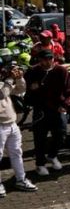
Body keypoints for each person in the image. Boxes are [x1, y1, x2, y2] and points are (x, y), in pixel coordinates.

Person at [24, 49, 70, 176]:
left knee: (61, 133)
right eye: (44, 59)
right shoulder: (33, 71)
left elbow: (69, 90)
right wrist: (32, 88)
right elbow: (26, 89)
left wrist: (65, 105)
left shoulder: (61, 71)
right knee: (40, 137)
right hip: (40, 109)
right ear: (40, 60)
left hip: (58, 108)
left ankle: (52, 155)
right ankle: (40, 164)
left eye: (50, 59)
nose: (47, 62)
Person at [1, 65, 38, 196]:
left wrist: (20, 77)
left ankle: (21, 180)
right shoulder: (5, 83)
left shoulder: (3, 82)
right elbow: (2, 94)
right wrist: (10, 78)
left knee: (17, 153)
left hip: (12, 124)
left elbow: (21, 89)